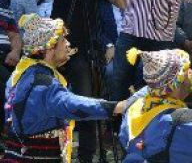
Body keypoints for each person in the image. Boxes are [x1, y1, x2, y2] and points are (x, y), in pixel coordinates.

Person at [3, 15, 123, 162]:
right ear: (50, 48)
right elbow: (71, 105)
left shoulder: (23, 73)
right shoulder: (42, 83)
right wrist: (114, 107)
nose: (68, 44)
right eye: (63, 40)